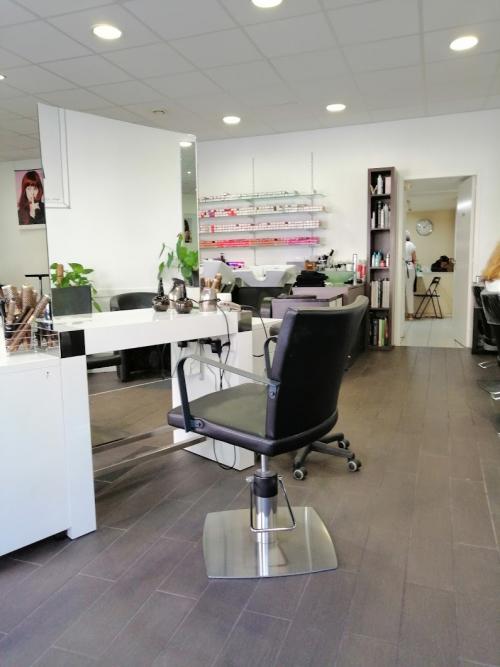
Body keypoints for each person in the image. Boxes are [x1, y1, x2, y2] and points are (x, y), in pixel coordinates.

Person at [404, 231, 417, 319]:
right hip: (410, 267)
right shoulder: (411, 244)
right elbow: (414, 259)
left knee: (400, 291)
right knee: (409, 291)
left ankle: (400, 314)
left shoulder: (399, 244)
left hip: (401, 268)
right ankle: (410, 314)